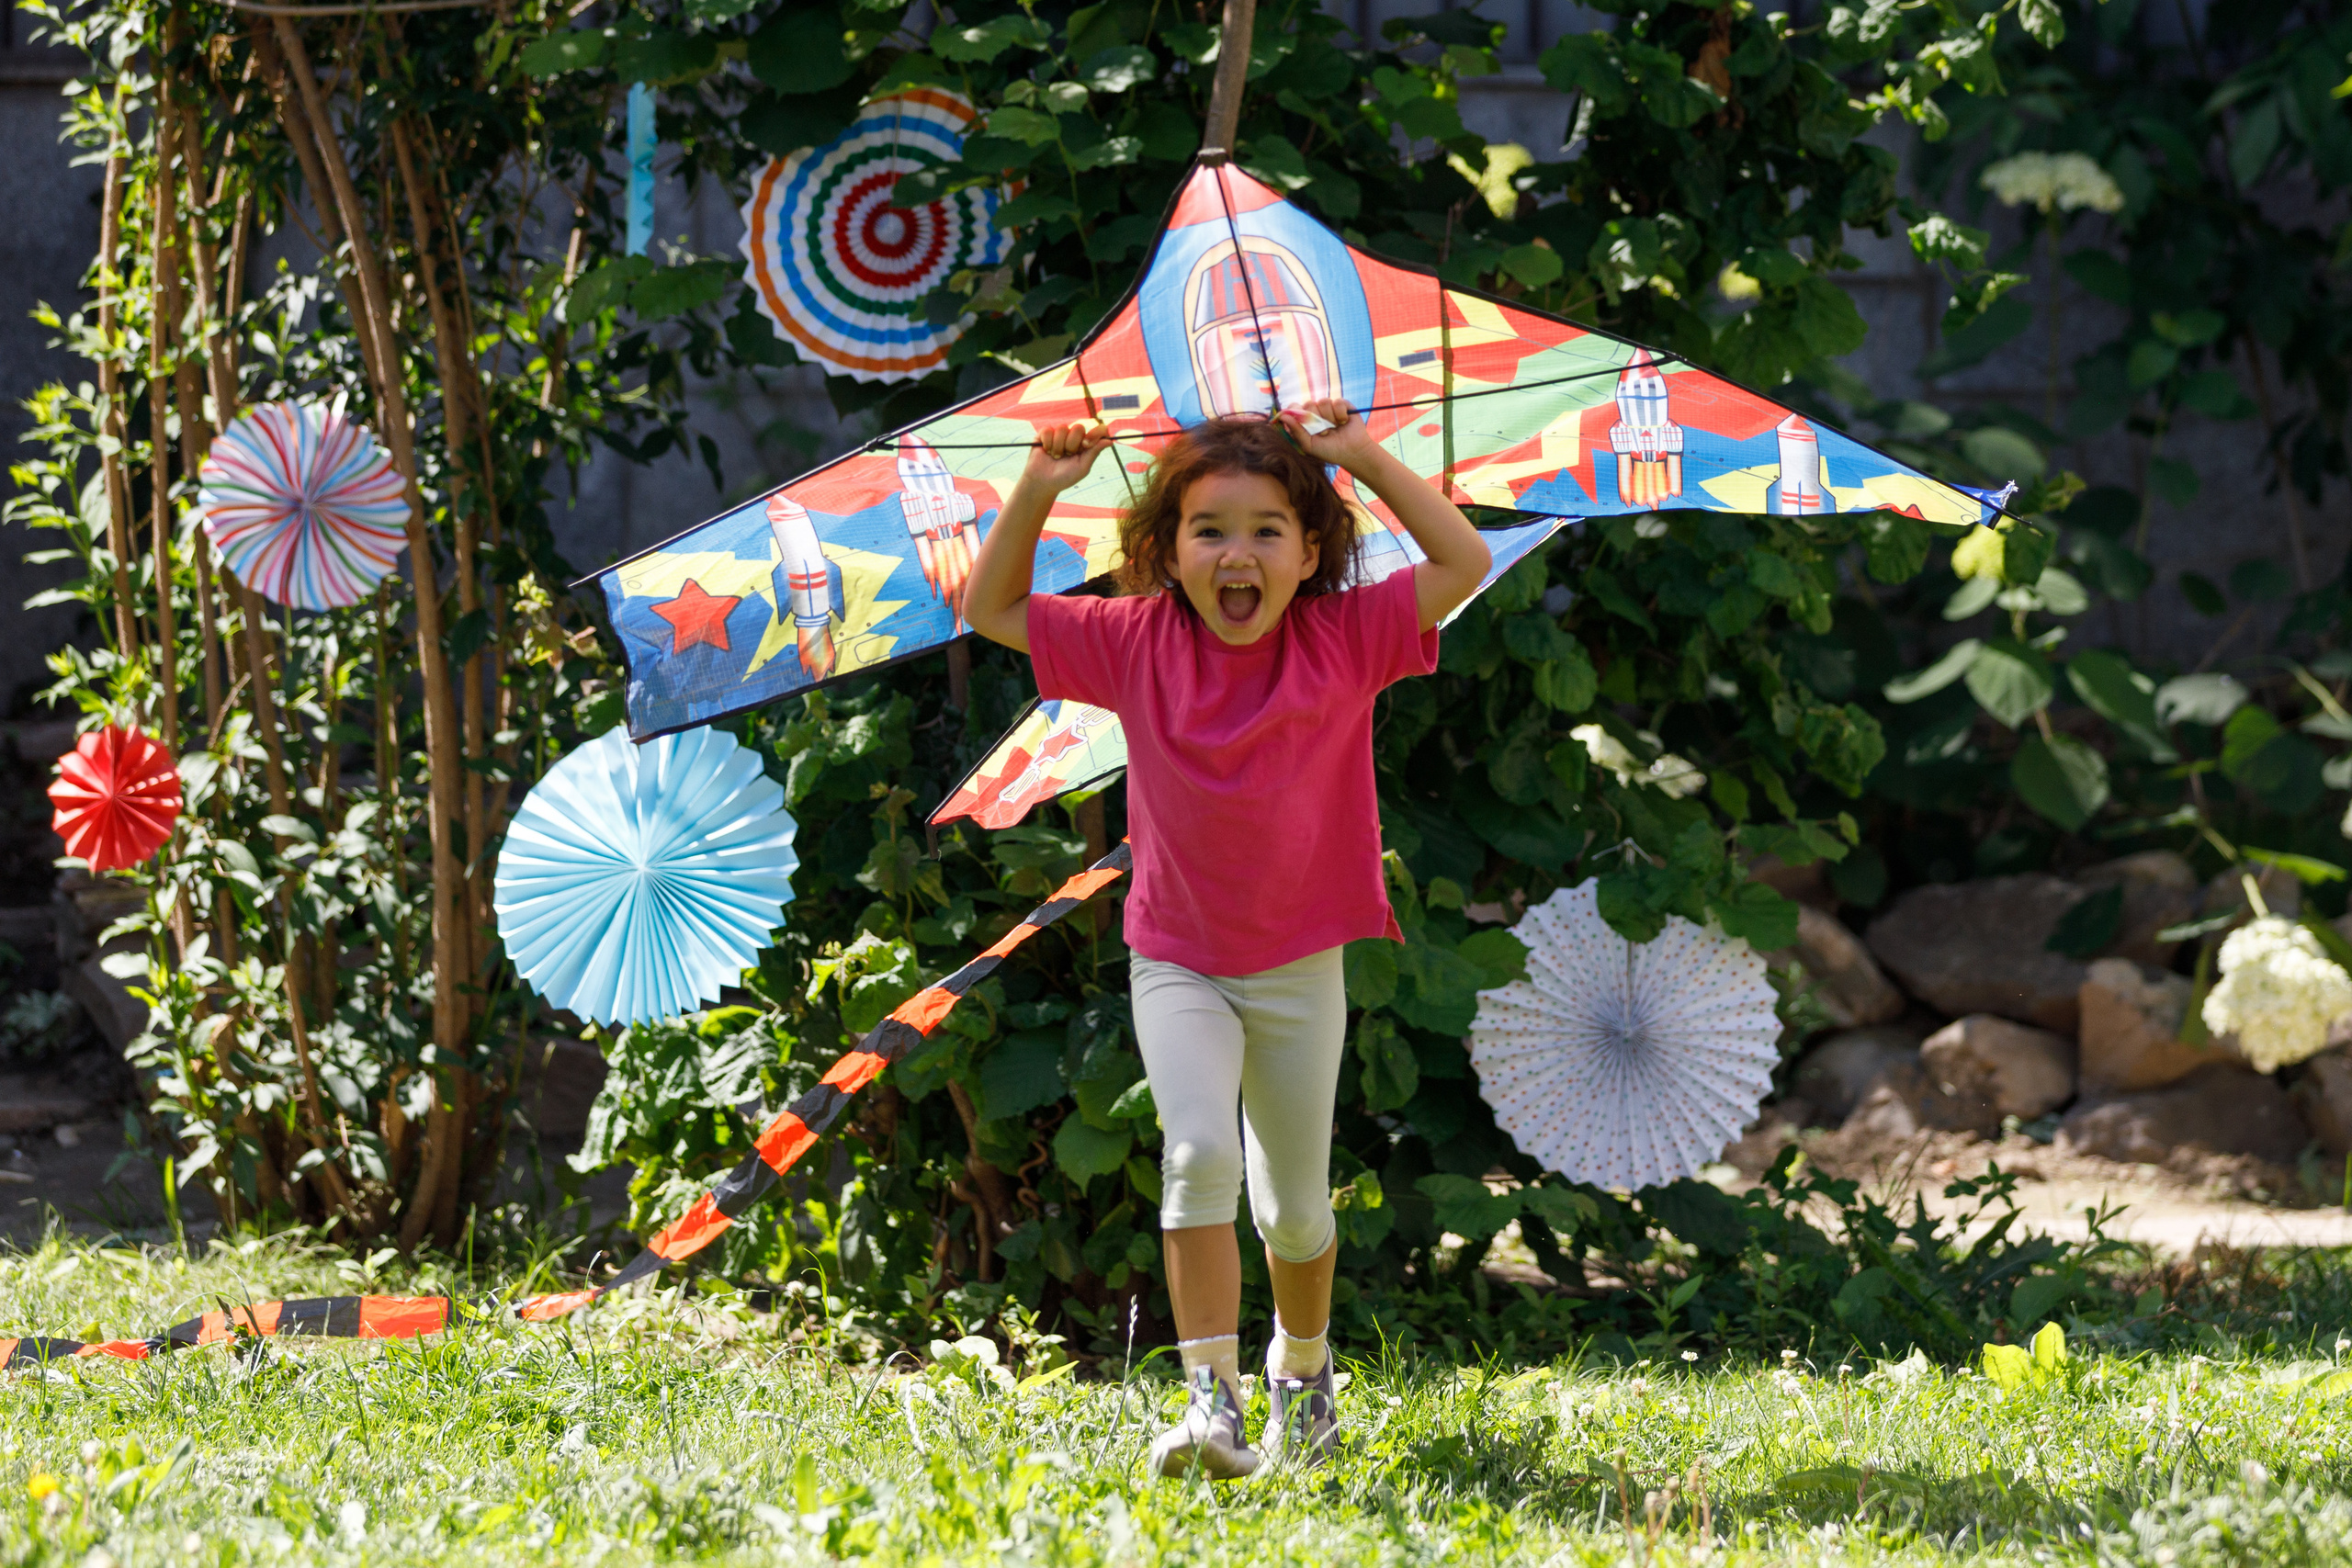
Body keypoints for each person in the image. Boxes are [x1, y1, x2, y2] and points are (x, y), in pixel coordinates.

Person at [962, 401, 1491, 1478]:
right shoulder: (1132, 642)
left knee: (1293, 1211)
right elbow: (994, 606)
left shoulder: (1346, 637)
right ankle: (1213, 1406)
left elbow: (1462, 559)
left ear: (1309, 553)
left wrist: (1355, 456)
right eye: (1208, 530)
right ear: (1163, 554)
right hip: (1179, 958)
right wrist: (1038, 486)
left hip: (1301, 968)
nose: (1236, 553)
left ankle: (1303, 1369)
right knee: (1197, 1155)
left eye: (1265, 530)